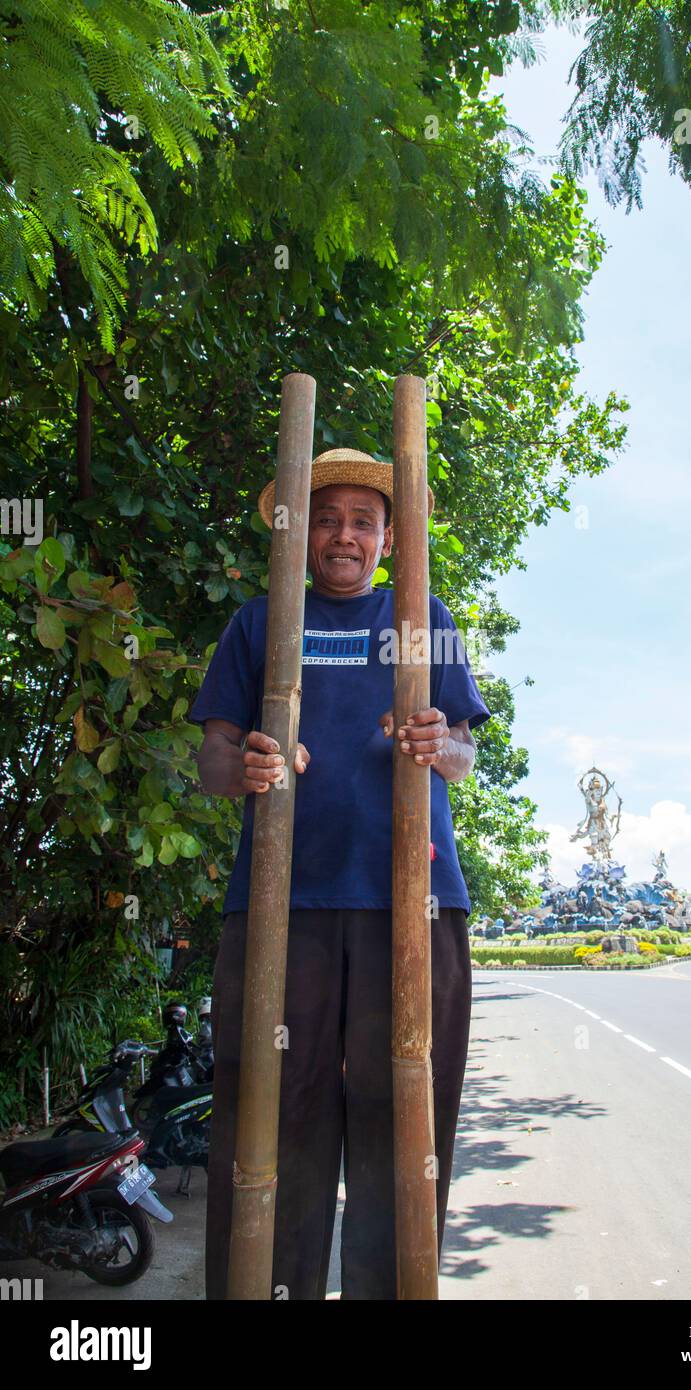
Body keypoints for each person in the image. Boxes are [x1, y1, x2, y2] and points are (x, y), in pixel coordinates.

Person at [189, 446, 491, 1301]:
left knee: (406, 1133)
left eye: (363, 520)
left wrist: (443, 746)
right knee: (270, 1133)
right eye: (325, 517)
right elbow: (211, 757)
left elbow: (466, 751)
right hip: (282, 912)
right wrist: (245, 761)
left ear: (391, 538)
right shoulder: (259, 622)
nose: (344, 535)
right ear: (297, 532)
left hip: (414, 908)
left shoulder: (423, 615)